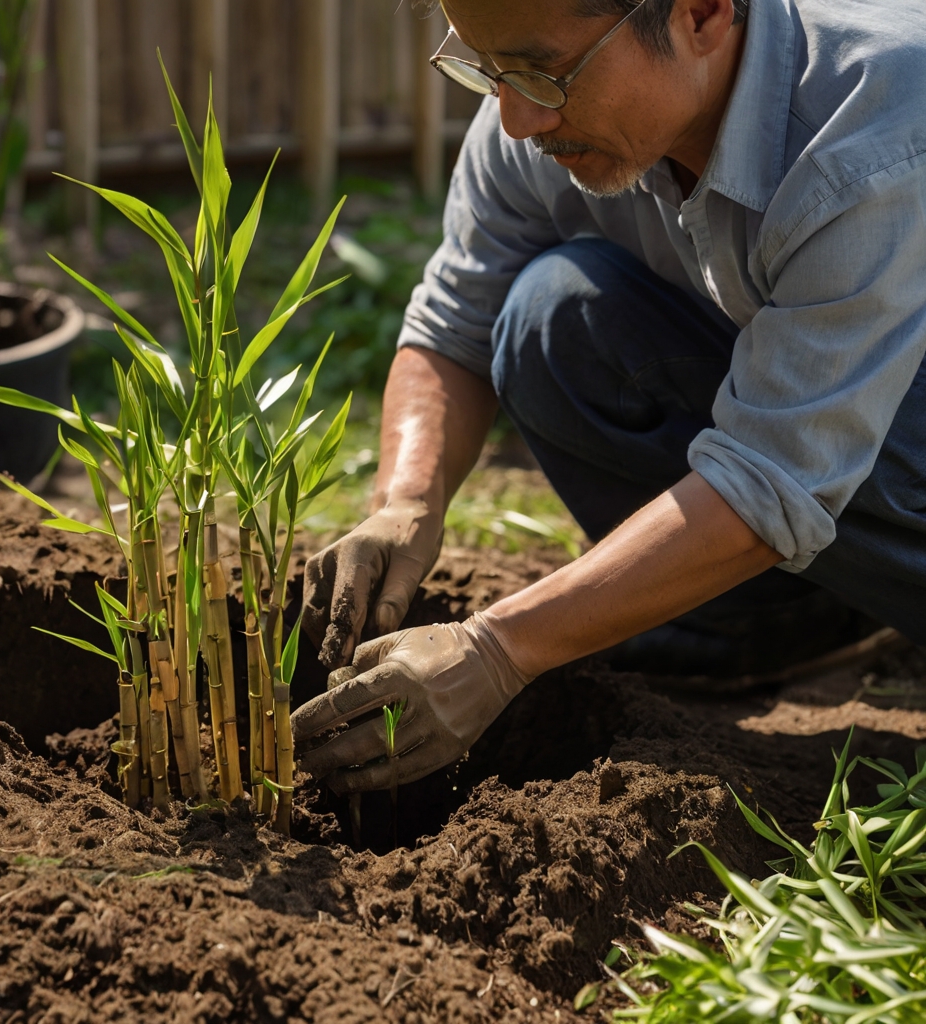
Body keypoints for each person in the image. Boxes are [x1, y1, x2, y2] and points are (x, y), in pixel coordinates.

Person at [291, 0, 926, 795]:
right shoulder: (539, 118)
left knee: (837, 428)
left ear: (701, 14)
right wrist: (405, 502)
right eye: (487, 70)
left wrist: (498, 649)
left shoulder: (876, 119)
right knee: (553, 314)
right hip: (822, 454)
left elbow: (774, 476)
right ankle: (771, 633)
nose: (516, 119)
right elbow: (457, 320)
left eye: (542, 75)